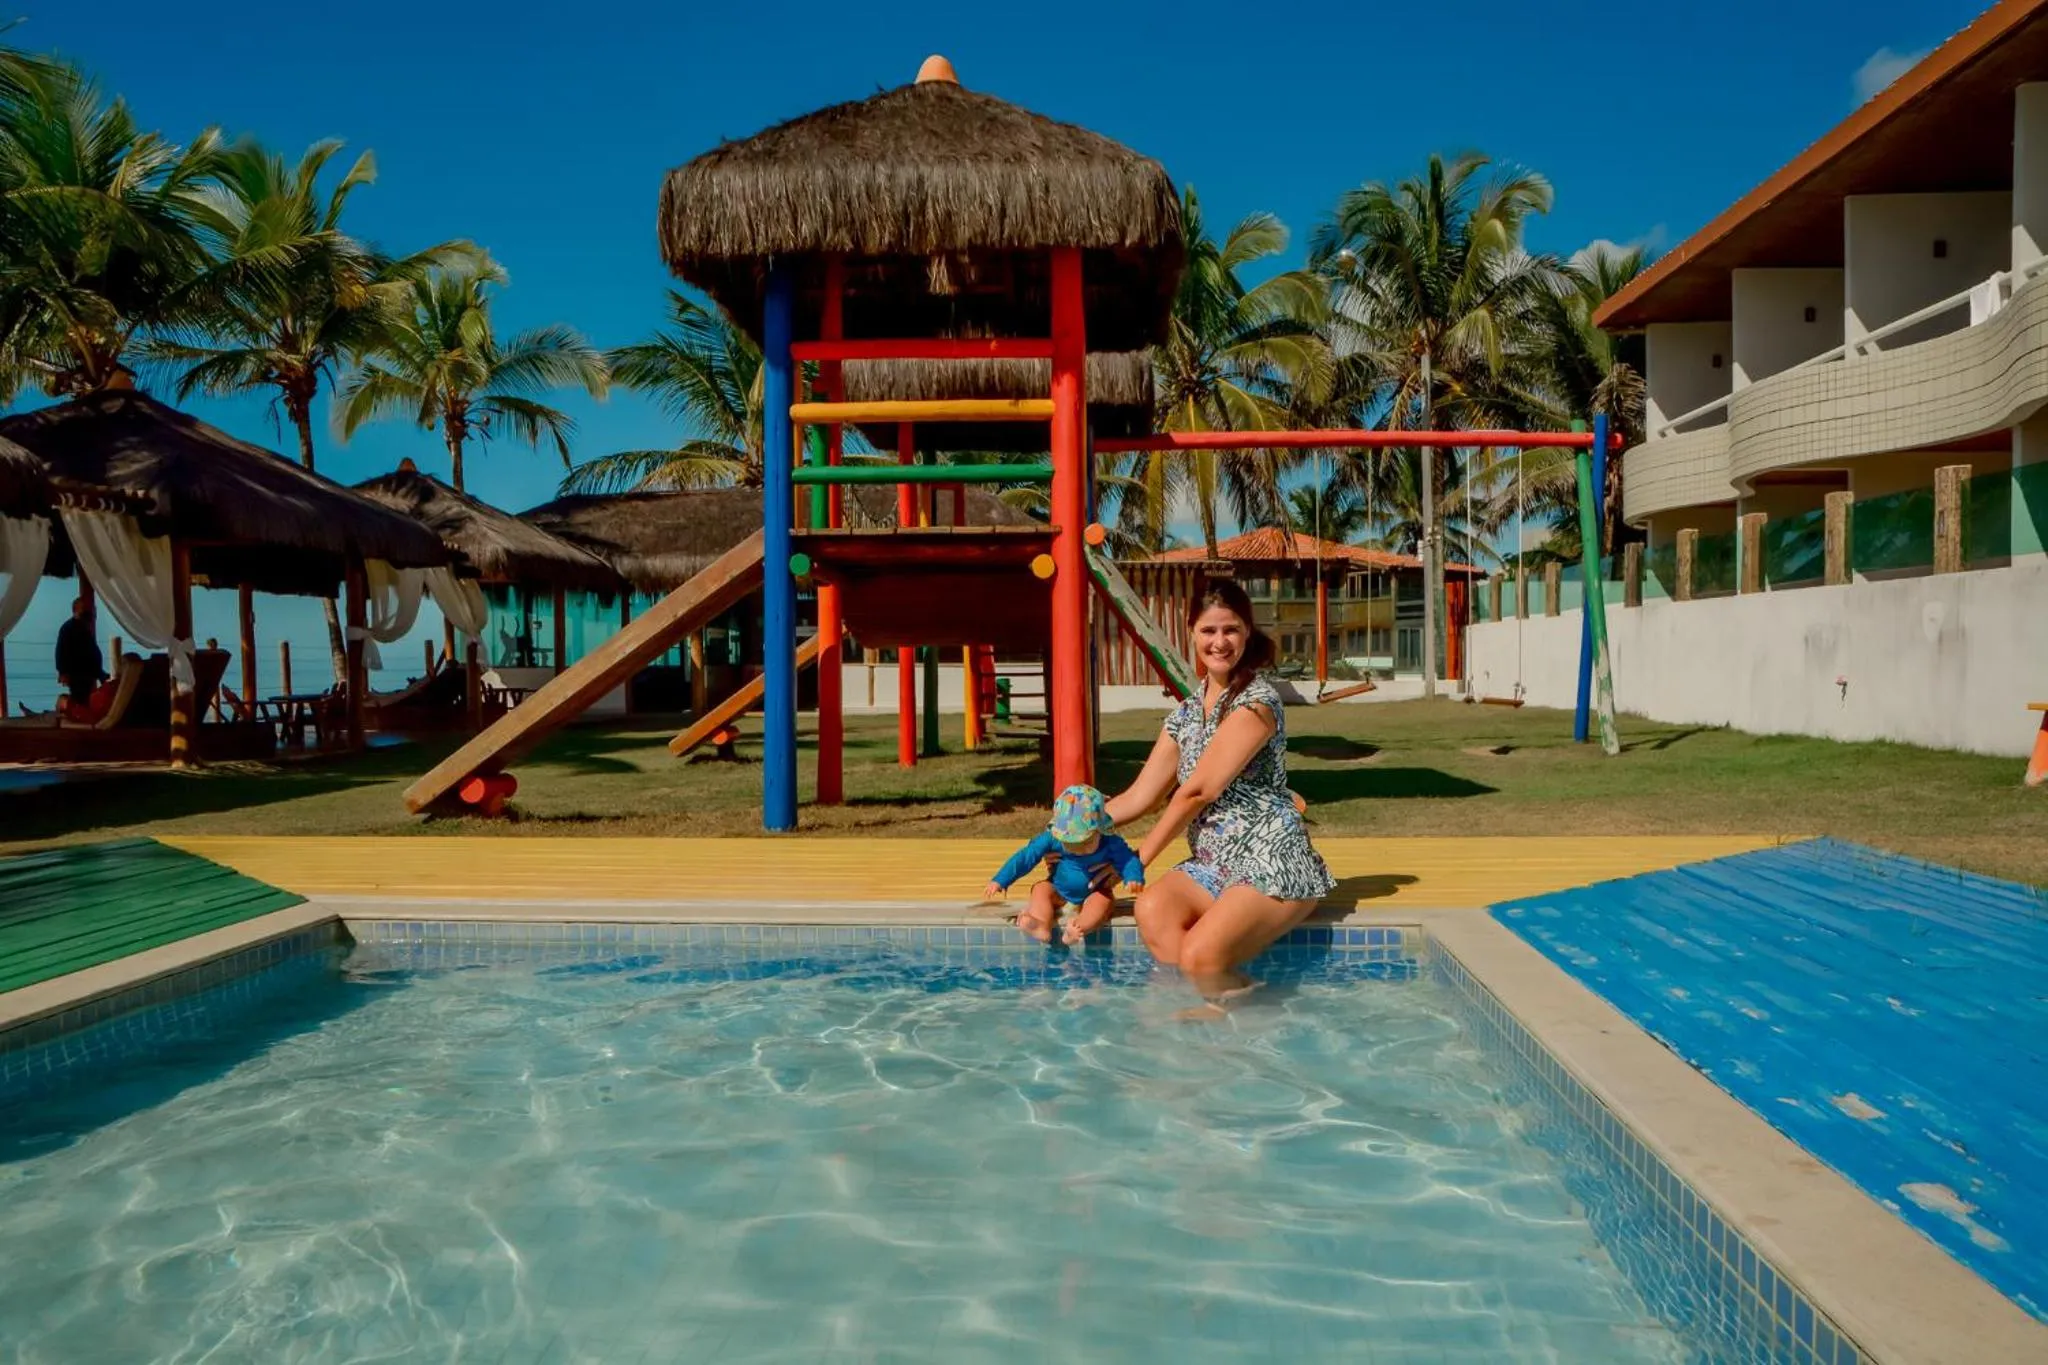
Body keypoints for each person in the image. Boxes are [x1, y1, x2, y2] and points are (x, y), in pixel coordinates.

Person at [1105, 580, 1334, 1005]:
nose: (1219, 642)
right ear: (1191, 630)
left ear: (1247, 632)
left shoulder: (1258, 702)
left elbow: (1198, 791)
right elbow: (1140, 796)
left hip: (1271, 858)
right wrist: (1068, 831)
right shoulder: (1186, 714)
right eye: (1208, 630)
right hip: (1212, 864)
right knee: (1152, 910)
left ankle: (1242, 1024)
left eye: (1231, 629)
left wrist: (1136, 861)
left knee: (1200, 956)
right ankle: (1203, 1014)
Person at [984, 784, 1146, 945]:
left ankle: (1077, 929)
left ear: (1100, 829)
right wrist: (1001, 879)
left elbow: (1128, 859)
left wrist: (1133, 877)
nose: (1079, 849)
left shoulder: (1111, 842)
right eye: (1070, 843)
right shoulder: (1053, 838)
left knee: (1102, 901)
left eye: (1085, 842)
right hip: (1058, 890)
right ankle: (1041, 926)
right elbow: (1026, 856)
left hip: (1094, 892)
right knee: (1041, 889)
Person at [54, 596, 106, 714]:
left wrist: (100, 673)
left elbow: (91, 654)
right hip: (78, 675)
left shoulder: (82, 628)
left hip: (86, 675)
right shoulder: (69, 628)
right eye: (86, 609)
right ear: (76, 610)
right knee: (81, 703)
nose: (92, 613)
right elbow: (61, 651)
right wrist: (63, 672)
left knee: (85, 703)